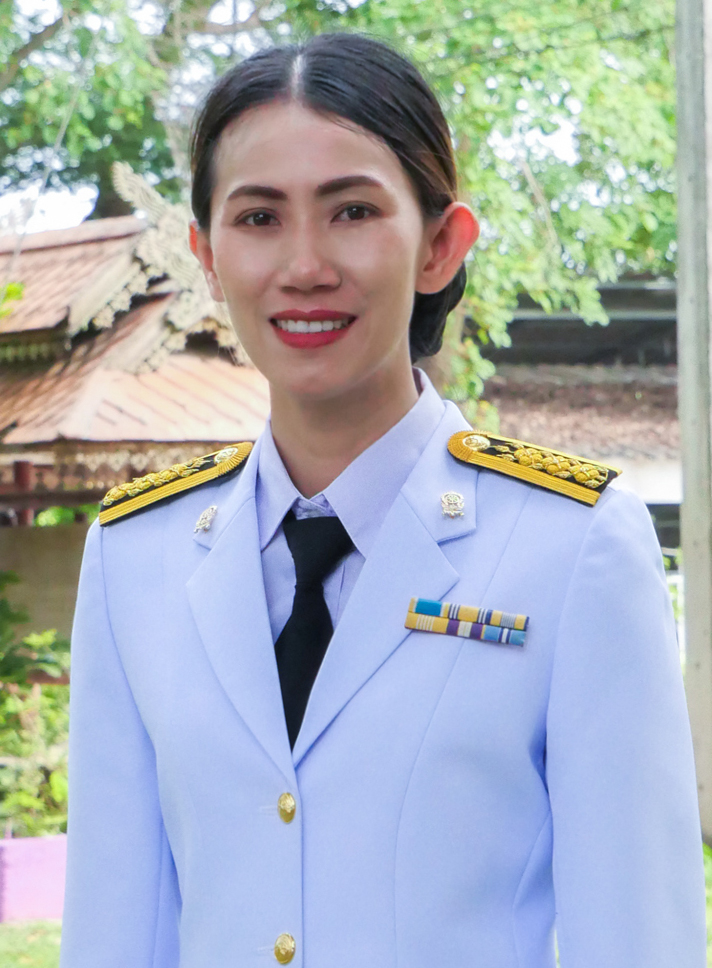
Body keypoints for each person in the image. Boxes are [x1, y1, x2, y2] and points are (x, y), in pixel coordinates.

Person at [60, 32, 706, 968]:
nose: (305, 265)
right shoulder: (137, 556)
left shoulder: (570, 545)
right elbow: (115, 930)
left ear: (441, 245)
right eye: (258, 217)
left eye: (353, 210)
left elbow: (639, 939)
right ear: (206, 256)